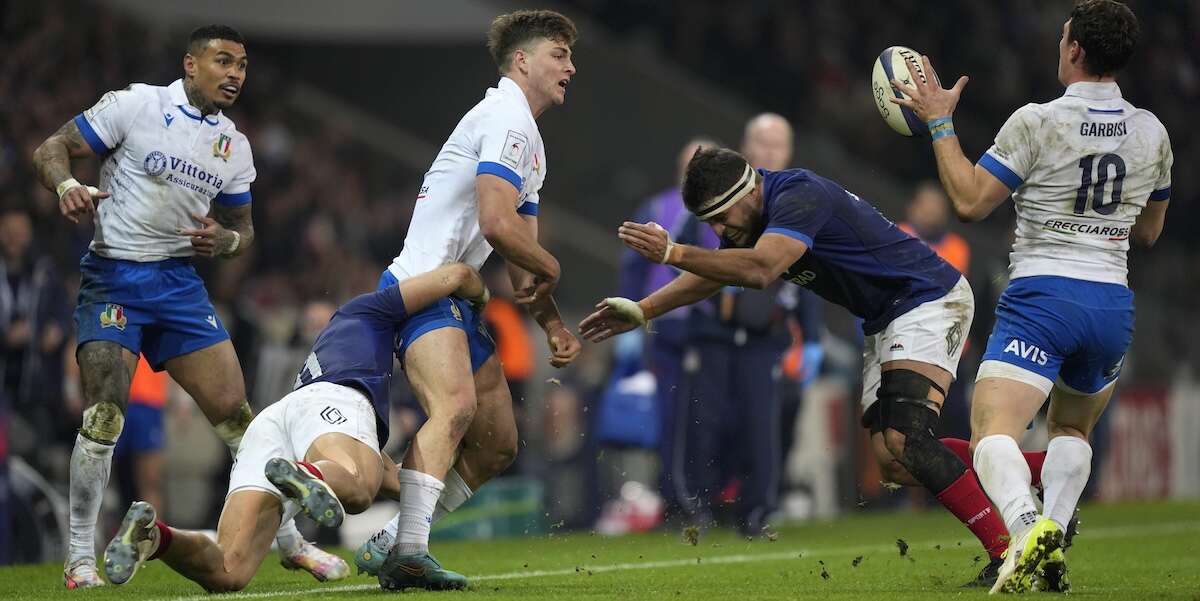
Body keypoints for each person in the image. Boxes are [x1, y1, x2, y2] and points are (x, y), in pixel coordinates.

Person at [581, 146, 1010, 586]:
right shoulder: (751, 214)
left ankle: (1008, 553)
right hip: (887, 316)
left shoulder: (798, 194)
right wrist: (644, 309)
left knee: (905, 439)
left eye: (719, 217)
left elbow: (762, 269)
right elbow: (715, 274)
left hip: (926, 297)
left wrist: (673, 252)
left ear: (748, 191)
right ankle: (1041, 469)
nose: (716, 230)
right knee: (894, 462)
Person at [31, 25, 343, 588]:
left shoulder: (235, 146)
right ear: (190, 65)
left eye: (242, 66)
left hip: (178, 286)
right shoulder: (137, 105)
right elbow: (49, 148)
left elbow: (244, 230)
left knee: (241, 421)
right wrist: (65, 186)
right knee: (104, 416)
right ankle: (80, 559)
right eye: (223, 61)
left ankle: (292, 544)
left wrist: (225, 242)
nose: (235, 75)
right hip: (114, 278)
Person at [889, 0, 1169, 593]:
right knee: (1072, 432)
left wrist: (941, 124)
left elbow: (968, 200)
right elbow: (1148, 232)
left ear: (1073, 51)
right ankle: (1052, 546)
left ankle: (1023, 528)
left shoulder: (1038, 121)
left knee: (993, 430)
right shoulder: (1153, 132)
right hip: (1111, 303)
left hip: (1043, 296)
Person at [357, 10, 582, 591]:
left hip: (460, 295)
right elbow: (498, 223)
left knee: (499, 445)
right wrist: (555, 267)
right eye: (559, 55)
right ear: (523, 62)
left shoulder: (528, 143)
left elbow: (518, 263)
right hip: (423, 287)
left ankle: (390, 538)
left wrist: (552, 322)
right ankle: (407, 550)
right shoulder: (505, 117)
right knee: (454, 410)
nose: (570, 67)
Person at [100, 263, 489, 593]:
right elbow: (457, 274)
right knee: (357, 491)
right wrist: (481, 298)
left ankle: (153, 536)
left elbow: (400, 481)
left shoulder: (332, 348)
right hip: (335, 402)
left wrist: (446, 482)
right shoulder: (368, 310)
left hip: (279, 422)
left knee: (228, 571)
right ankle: (307, 473)